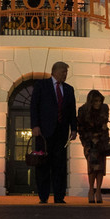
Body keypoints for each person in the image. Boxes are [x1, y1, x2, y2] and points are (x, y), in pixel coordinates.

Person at [30, 61, 77, 204]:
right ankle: (43, 196)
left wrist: (74, 128)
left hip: (61, 133)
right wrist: (35, 125)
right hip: (43, 133)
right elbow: (34, 106)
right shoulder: (41, 85)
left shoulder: (69, 89)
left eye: (66, 72)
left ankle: (59, 196)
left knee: (60, 165)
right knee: (43, 165)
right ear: (55, 71)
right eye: (63, 72)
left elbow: (72, 111)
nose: (65, 75)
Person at [76, 89, 110, 203]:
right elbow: (80, 128)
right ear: (91, 101)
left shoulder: (104, 109)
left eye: (100, 101)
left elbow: (105, 125)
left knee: (101, 168)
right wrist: (88, 141)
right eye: (96, 101)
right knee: (92, 167)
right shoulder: (83, 111)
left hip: (101, 141)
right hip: (89, 142)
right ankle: (91, 189)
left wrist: (102, 137)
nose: (98, 103)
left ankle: (98, 190)